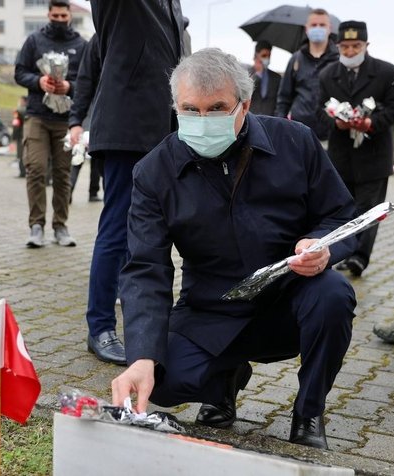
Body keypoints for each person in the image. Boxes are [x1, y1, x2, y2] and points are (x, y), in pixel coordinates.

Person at [110, 48, 356, 450]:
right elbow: (145, 268)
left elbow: (342, 216)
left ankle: (308, 411)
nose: (203, 122)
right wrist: (140, 356)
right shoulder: (154, 172)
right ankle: (222, 383)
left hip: (289, 299)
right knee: (159, 376)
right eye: (191, 110)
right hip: (211, 308)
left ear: (245, 104)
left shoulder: (296, 142)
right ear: (175, 107)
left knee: (334, 294)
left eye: (217, 108)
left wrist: (323, 246)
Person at [82, 0, 186, 366]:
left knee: (151, 234)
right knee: (117, 231)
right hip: (127, 128)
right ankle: (100, 327)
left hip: (165, 129)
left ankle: (147, 323)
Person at [317, 21, 394, 277]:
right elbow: (318, 110)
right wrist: (336, 122)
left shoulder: (386, 72)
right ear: (338, 46)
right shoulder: (327, 74)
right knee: (342, 208)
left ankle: (359, 257)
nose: (351, 51)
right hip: (341, 156)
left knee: (369, 210)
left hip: (374, 156)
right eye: (346, 46)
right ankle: (343, 252)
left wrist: (371, 123)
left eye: (356, 45)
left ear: (366, 45)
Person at [15, 0, 86, 248]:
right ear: (48, 14)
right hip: (37, 115)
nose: (58, 19)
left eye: (62, 15)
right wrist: (39, 82)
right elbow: (19, 72)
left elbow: (89, 81)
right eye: (54, 15)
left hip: (67, 120)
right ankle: (36, 226)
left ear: (69, 16)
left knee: (63, 174)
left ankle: (60, 226)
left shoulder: (80, 44)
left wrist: (70, 86)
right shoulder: (34, 41)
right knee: (34, 169)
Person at [275, 8, 339, 144]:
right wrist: (279, 126)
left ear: (330, 28)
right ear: (306, 28)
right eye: (314, 25)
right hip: (298, 133)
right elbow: (284, 98)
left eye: (322, 25)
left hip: (330, 135)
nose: (318, 28)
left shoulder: (339, 59)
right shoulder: (296, 59)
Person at [68, 33, 103, 203]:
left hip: (95, 118)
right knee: (80, 154)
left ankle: (92, 191)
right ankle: (72, 190)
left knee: (92, 158)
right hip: (89, 118)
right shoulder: (93, 50)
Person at [248, 40, 281, 116]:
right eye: (264, 56)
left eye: (269, 56)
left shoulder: (277, 78)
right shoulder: (247, 75)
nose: (267, 58)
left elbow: (279, 102)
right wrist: (257, 74)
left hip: (270, 121)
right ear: (256, 55)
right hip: (252, 119)